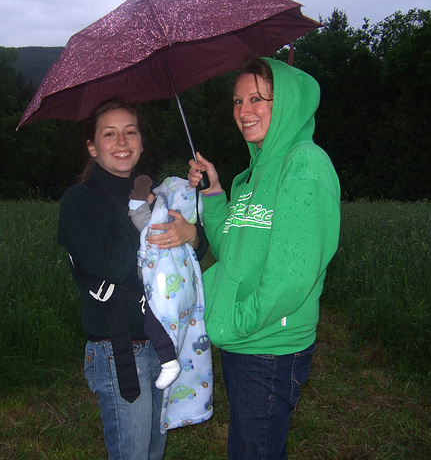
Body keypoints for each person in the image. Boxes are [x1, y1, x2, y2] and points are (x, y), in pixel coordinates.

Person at [188, 56, 341, 459]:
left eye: (257, 99)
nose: (243, 111)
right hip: (247, 341)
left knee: (252, 451)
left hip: (268, 344)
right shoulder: (256, 172)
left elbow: (292, 275)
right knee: (250, 446)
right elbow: (231, 251)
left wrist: (236, 321)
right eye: (237, 101)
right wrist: (214, 193)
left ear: (286, 103)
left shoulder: (304, 164)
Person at [57, 98, 207, 460]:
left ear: (141, 142)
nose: (122, 142)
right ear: (93, 147)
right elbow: (116, 265)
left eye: (130, 132)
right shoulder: (80, 201)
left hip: (162, 342)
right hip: (118, 349)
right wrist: (136, 206)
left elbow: (185, 259)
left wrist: (193, 234)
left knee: (154, 451)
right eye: (109, 134)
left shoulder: (154, 192)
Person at [128, 174, 181, 390]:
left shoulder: (154, 226)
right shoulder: (178, 223)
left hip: (158, 281)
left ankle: (169, 363)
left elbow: (135, 209)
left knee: (153, 322)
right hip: (173, 280)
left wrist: (142, 185)